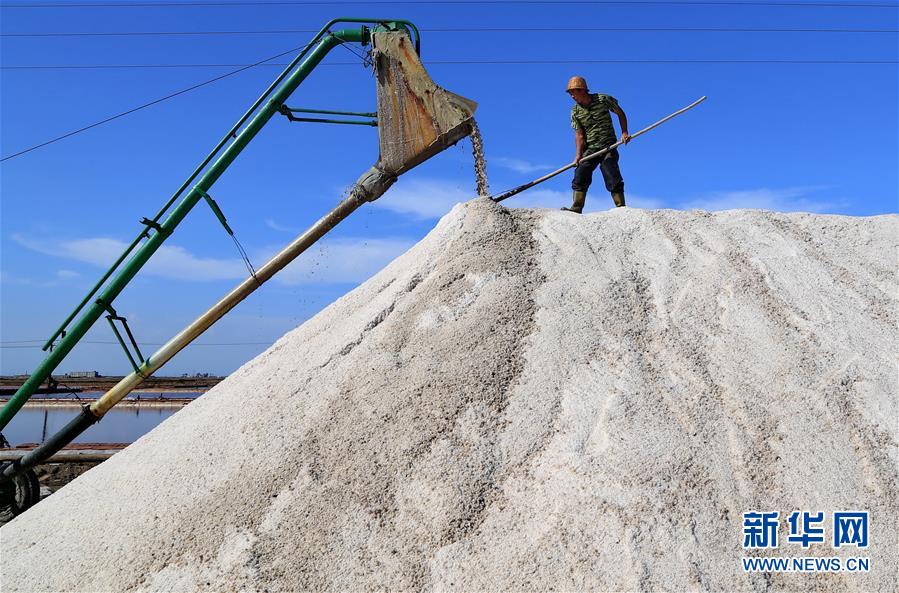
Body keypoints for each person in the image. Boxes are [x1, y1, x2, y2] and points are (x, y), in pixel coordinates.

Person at [563, 76, 631, 213]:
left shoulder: (602, 99)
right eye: (569, 93)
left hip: (608, 145)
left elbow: (620, 113)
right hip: (591, 149)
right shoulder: (575, 111)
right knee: (581, 172)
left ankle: (621, 207)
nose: (571, 96)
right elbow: (579, 135)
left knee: (610, 170)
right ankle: (576, 207)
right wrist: (578, 156)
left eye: (573, 92)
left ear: (582, 90)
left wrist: (624, 132)